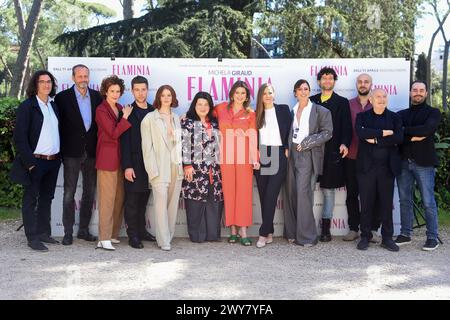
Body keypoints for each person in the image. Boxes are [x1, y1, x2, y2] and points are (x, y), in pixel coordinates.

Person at [10, 70, 61, 252]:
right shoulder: (28, 106)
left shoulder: (53, 106)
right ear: (35, 84)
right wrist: (30, 163)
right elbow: (20, 138)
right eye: (42, 82)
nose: (47, 85)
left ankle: (43, 233)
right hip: (35, 162)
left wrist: (58, 158)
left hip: (53, 161)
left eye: (49, 82)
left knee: (47, 198)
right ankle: (32, 237)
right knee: (31, 200)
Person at [54, 64, 102, 245]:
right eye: (80, 76)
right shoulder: (61, 98)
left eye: (86, 76)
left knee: (89, 193)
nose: (83, 79)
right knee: (69, 193)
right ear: (73, 78)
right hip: (71, 153)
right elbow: (56, 126)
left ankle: (83, 230)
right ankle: (67, 232)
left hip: (91, 152)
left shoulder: (97, 97)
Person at [284, 79, 333, 246]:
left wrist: (307, 142)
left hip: (307, 154)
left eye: (306, 89)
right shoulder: (292, 111)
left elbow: (327, 133)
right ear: (295, 93)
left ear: (309, 91)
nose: (303, 91)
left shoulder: (320, 111)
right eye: (300, 89)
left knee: (303, 194)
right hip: (291, 153)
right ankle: (292, 232)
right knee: (290, 193)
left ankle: (307, 237)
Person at [396, 81, 442, 251]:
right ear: (410, 93)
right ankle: (405, 233)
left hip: (424, 163)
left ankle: (432, 237)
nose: (418, 93)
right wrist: (416, 134)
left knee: (428, 201)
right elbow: (398, 134)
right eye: (415, 90)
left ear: (426, 93)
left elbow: (427, 129)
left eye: (421, 90)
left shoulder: (433, 112)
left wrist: (411, 132)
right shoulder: (401, 114)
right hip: (403, 162)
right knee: (404, 200)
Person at [355, 88, 403, 252]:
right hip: (366, 168)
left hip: (387, 169)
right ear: (371, 99)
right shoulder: (362, 116)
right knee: (366, 204)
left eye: (384, 96)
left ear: (387, 99)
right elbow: (361, 133)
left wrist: (375, 140)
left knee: (386, 204)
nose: (381, 99)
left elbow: (398, 137)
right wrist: (384, 133)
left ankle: (387, 238)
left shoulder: (395, 117)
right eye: (377, 97)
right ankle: (365, 236)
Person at [215, 81, 259, 246]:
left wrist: (255, 158)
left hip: (243, 158)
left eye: (243, 93)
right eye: (237, 92)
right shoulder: (220, 108)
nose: (240, 95)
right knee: (229, 192)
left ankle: (243, 231)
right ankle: (232, 230)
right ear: (232, 93)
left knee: (244, 194)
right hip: (225, 157)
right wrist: (187, 115)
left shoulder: (250, 114)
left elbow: (253, 135)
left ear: (247, 96)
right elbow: (202, 113)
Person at [310, 67, 352, 242]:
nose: (327, 81)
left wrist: (344, 143)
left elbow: (346, 126)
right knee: (307, 189)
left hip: (333, 152)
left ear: (334, 81)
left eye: (330, 78)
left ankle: (325, 229)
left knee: (328, 191)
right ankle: (306, 227)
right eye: (324, 78)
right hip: (312, 151)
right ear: (319, 81)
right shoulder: (311, 100)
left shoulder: (342, 102)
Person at [141, 85, 183, 251]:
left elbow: (179, 144)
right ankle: (163, 240)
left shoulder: (177, 118)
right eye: (163, 95)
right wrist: (152, 170)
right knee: (160, 205)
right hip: (159, 167)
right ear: (158, 97)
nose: (166, 98)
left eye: (169, 95)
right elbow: (147, 148)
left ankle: (169, 236)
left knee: (172, 205)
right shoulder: (149, 119)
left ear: (173, 98)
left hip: (175, 166)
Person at [95, 75, 132, 251]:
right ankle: (103, 238)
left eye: (118, 91)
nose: (116, 94)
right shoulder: (101, 110)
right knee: (107, 200)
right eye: (112, 91)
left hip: (120, 159)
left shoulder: (118, 107)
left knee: (118, 198)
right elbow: (113, 133)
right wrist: (125, 118)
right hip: (106, 159)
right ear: (105, 91)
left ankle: (112, 234)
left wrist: (123, 115)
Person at [181, 92, 224, 243]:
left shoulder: (215, 123)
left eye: (206, 104)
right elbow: (184, 145)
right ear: (194, 105)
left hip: (214, 170)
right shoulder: (187, 122)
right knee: (195, 202)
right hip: (195, 169)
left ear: (210, 106)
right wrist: (186, 165)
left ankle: (212, 235)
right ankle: (197, 235)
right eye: (199, 104)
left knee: (213, 201)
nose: (203, 107)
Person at [343, 73, 380, 242]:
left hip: (373, 158)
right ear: (356, 84)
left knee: (372, 194)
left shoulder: (378, 104)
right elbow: (344, 128)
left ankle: (372, 229)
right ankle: (353, 228)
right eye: (360, 82)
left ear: (371, 84)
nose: (363, 84)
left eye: (366, 82)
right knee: (352, 194)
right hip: (351, 155)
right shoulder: (348, 104)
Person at [120, 76, 156, 249]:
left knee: (144, 198)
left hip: (150, 162)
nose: (140, 93)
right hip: (133, 162)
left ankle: (142, 231)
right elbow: (124, 141)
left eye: (143, 89)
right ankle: (133, 235)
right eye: (137, 90)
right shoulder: (127, 112)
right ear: (132, 91)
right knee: (132, 200)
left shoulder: (154, 110)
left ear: (147, 90)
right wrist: (127, 166)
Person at [254, 83, 291, 248]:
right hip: (262, 155)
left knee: (270, 195)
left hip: (278, 153)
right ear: (260, 97)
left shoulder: (283, 110)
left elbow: (291, 129)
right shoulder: (255, 115)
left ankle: (263, 234)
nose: (268, 96)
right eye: (264, 94)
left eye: (270, 93)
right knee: (263, 196)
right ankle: (269, 231)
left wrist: (288, 148)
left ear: (274, 94)